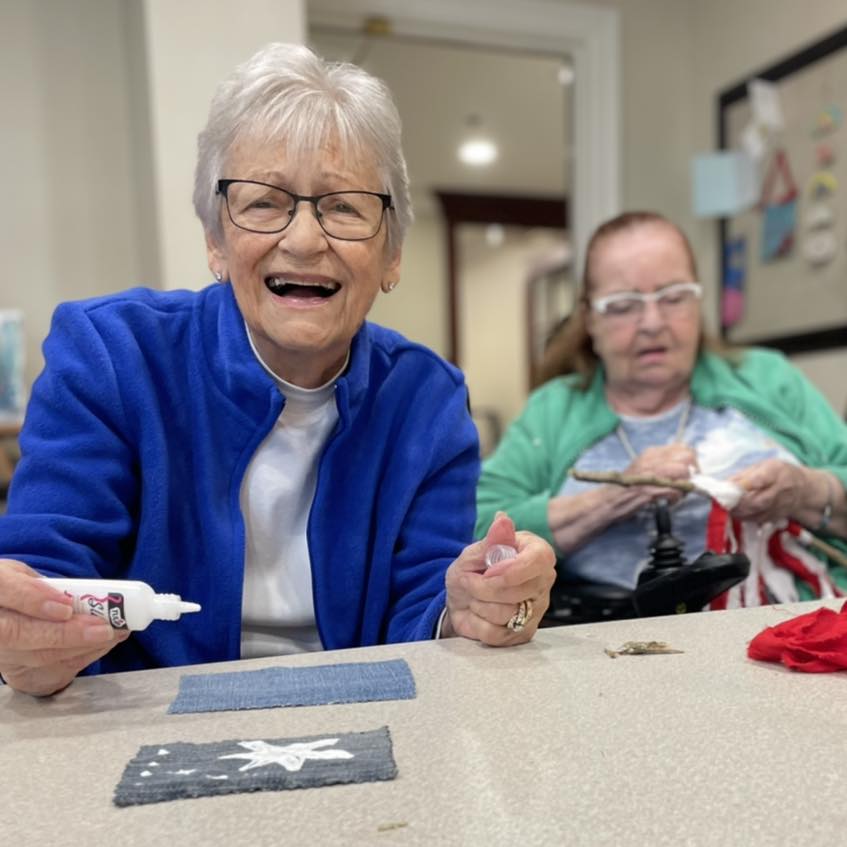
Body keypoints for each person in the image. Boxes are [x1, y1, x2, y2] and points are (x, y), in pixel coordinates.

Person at [0, 43, 555, 697]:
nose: (302, 239)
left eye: (344, 206)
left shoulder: (426, 399)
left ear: (391, 255)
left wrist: (470, 607)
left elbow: (423, 607)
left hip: (365, 721)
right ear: (215, 239)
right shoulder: (112, 356)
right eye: (264, 202)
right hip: (144, 726)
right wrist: (32, 634)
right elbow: (47, 568)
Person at [476, 211, 846, 612]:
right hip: (610, 641)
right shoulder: (554, 409)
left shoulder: (767, 379)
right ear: (589, 319)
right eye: (622, 305)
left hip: (796, 623)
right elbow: (480, 531)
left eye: (673, 297)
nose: (652, 322)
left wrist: (805, 490)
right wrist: (611, 499)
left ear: (697, 301)